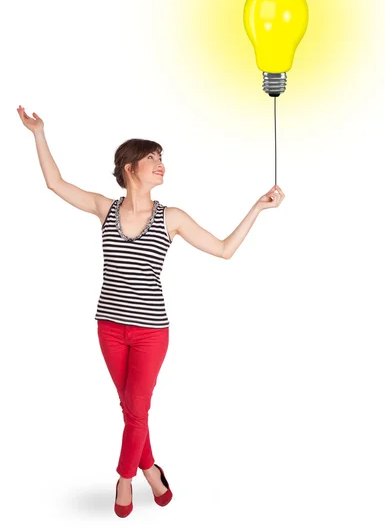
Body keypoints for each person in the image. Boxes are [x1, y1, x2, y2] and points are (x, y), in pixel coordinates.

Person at [17, 104, 285, 515]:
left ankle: (126, 478)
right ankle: (152, 470)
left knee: (136, 406)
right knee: (131, 409)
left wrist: (258, 207)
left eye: (161, 158)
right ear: (130, 168)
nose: (161, 164)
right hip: (108, 327)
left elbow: (225, 250)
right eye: (152, 158)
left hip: (149, 333)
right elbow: (54, 183)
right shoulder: (104, 208)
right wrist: (38, 132)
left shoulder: (172, 217)